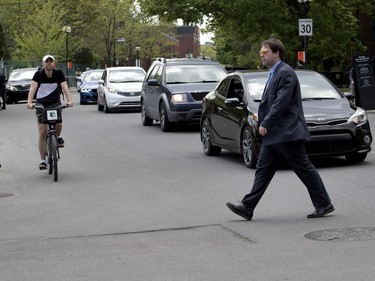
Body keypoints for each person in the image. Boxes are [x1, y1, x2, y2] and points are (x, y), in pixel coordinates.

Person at [226, 38, 334, 220]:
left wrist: (266, 123)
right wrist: (262, 118)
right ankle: (247, 207)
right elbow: (273, 102)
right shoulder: (274, 73)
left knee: (304, 169)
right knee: (263, 170)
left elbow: (281, 103)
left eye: (265, 52)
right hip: (276, 134)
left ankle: (323, 203)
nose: (261, 55)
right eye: (261, 53)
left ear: (277, 53)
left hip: (286, 133)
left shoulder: (286, 73)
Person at [27, 55, 74, 170]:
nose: (48, 64)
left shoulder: (58, 74)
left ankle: (57, 137)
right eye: (46, 62)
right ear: (43, 64)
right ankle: (43, 160)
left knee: (58, 122)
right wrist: (29, 102)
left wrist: (69, 101)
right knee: (43, 132)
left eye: (50, 61)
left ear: (54, 63)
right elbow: (33, 89)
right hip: (41, 105)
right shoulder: (38, 74)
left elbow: (65, 88)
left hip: (54, 103)